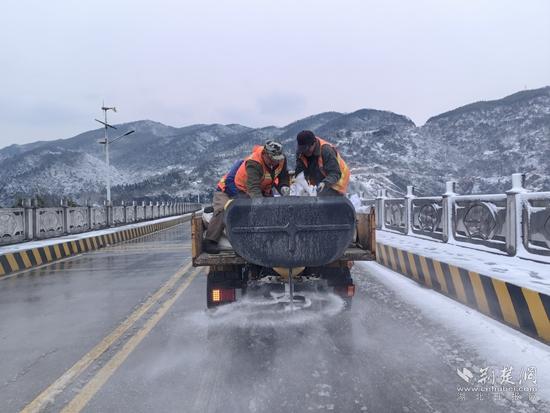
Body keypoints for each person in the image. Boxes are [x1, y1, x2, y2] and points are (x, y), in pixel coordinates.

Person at [203, 140, 290, 254]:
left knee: (271, 210)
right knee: (226, 209)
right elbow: (249, 187)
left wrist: (283, 187)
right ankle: (210, 240)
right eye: (272, 159)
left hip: (254, 191)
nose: (275, 162)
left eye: (277, 159)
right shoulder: (252, 164)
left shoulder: (280, 160)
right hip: (227, 191)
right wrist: (239, 202)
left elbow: (282, 176)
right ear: (264, 154)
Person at [295, 130, 350, 196]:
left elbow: (335, 173)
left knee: (324, 198)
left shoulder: (326, 150)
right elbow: (299, 172)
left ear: (313, 143)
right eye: (303, 149)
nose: (305, 152)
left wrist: (324, 183)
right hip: (320, 180)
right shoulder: (301, 153)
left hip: (336, 181)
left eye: (307, 149)